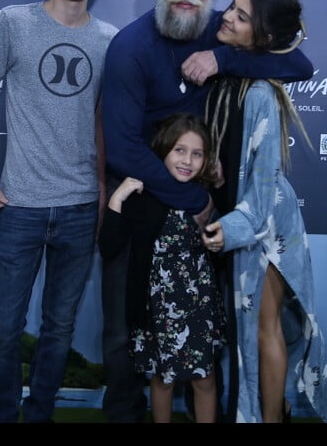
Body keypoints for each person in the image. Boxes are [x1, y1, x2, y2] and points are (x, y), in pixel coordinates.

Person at [100, 0, 315, 423]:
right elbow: (125, 146)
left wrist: (223, 57)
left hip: (213, 206)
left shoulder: (219, 29)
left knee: (211, 322)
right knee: (128, 323)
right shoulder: (130, 46)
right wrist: (191, 201)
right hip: (150, 201)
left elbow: (299, 63)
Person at [0, 0, 117, 423]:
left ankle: (40, 416)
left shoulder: (108, 40)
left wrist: (99, 191)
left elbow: (99, 119)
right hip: (18, 205)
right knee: (5, 331)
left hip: (78, 208)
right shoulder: (14, 22)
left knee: (58, 330)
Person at [201, 0, 327, 423]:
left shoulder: (260, 92)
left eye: (242, 17)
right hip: (241, 220)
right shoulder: (229, 74)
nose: (227, 17)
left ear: (263, 38)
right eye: (232, 8)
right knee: (248, 330)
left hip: (268, 230)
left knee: (263, 329)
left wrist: (235, 227)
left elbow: (262, 187)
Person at [98, 113, 226, 423]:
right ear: (164, 151)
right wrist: (118, 196)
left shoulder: (206, 199)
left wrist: (219, 241)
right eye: (179, 150)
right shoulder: (144, 199)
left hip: (199, 306)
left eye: (197, 154)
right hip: (156, 308)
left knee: (204, 378)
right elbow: (109, 247)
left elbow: (224, 246)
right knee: (163, 378)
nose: (187, 160)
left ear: (206, 160)